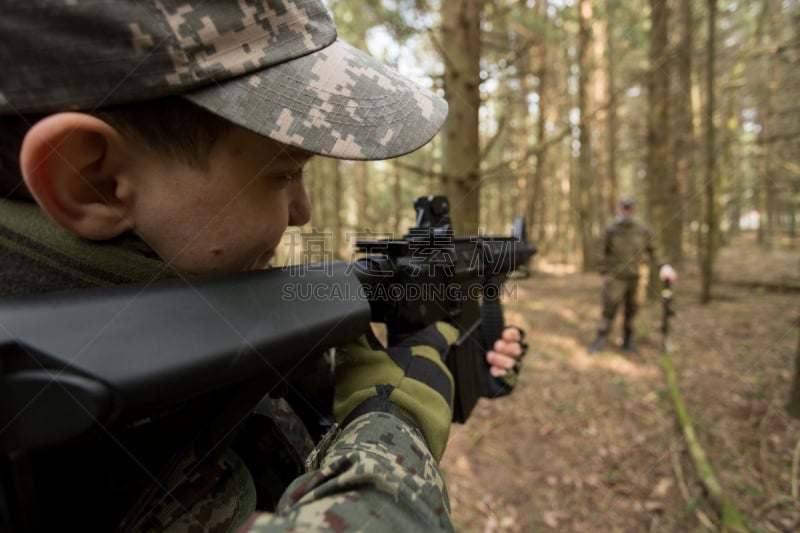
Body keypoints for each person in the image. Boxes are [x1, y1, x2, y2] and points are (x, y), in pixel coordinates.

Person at [0, 1, 527, 531]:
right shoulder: (36, 404)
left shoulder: (173, 313)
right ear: (94, 179)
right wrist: (397, 425)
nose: (304, 213)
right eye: (283, 173)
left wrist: (352, 376)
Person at [589, 196, 677, 354]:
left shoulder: (642, 229)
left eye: (629, 207)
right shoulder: (611, 228)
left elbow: (655, 249)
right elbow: (600, 249)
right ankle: (601, 338)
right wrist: (603, 268)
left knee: (632, 309)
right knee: (609, 308)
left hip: (636, 277)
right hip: (615, 277)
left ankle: (628, 340)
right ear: (619, 208)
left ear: (634, 208)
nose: (627, 210)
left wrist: (664, 266)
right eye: (624, 207)